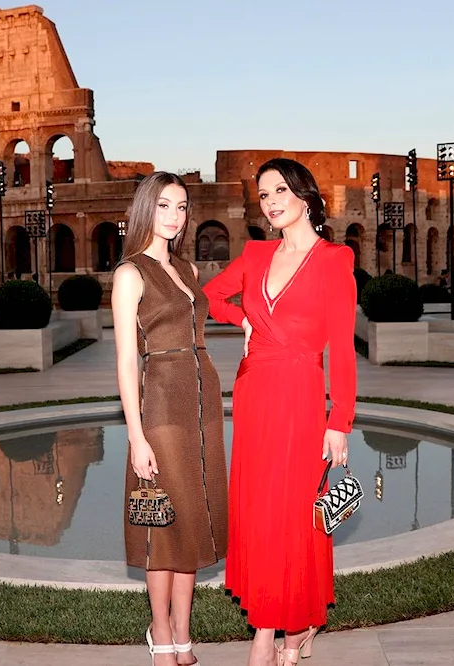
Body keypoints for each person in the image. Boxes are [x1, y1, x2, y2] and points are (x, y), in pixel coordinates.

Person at [202, 158, 357, 666]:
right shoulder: (256, 253)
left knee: (294, 514)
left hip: (301, 395)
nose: (269, 202)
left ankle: (283, 630)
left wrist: (340, 422)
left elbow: (341, 349)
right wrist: (243, 316)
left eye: (278, 191)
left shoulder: (336, 259)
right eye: (263, 194)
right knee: (259, 510)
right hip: (255, 393)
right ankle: (276, 627)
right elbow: (210, 297)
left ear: (305, 196)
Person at [112, 171, 228, 666]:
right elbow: (124, 361)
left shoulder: (189, 271)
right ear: (146, 209)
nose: (174, 216)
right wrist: (137, 437)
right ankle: (159, 627)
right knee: (165, 521)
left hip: (203, 397)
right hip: (160, 399)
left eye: (181, 207)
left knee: (196, 516)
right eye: (164, 206)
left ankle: (184, 627)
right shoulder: (129, 273)